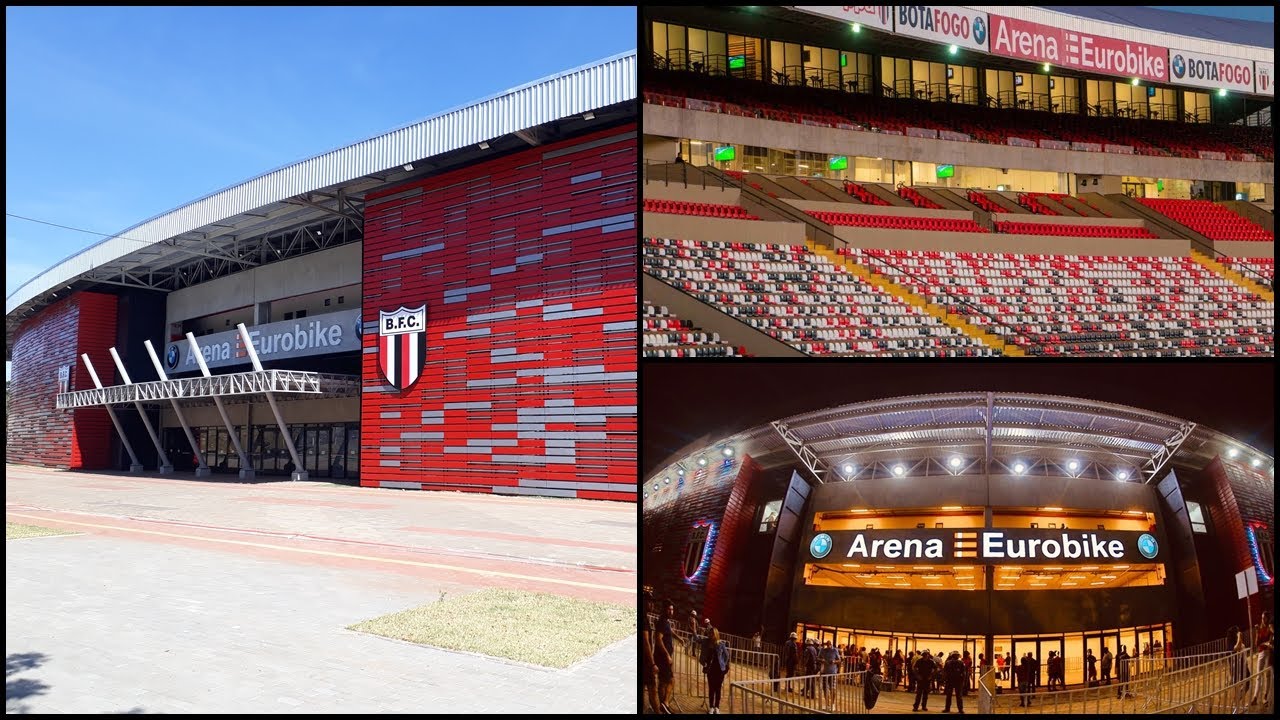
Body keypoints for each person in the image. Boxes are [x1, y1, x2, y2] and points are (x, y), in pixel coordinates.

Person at [703, 627, 730, 714]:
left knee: (718, 689)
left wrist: (724, 664)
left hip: (719, 670)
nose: (711, 635)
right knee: (711, 688)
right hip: (710, 669)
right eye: (710, 634)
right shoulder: (708, 643)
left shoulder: (721, 644)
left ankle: (717, 707)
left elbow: (727, 655)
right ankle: (711, 707)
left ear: (716, 634)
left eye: (712, 633)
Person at [656, 601, 676, 714]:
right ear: (664, 609)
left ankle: (663, 705)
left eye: (672, 609)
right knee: (668, 681)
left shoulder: (666, 621)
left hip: (665, 657)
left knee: (666, 681)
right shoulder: (662, 622)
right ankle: (664, 704)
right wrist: (667, 655)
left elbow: (670, 631)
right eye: (669, 609)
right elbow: (658, 639)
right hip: (663, 657)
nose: (671, 611)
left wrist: (678, 637)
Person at [641, 590, 659, 714]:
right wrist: (652, 663)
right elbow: (646, 642)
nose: (652, 605)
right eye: (650, 602)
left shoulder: (645, 617)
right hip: (646, 662)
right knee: (652, 690)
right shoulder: (643, 619)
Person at [913, 647, 937, 712]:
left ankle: (924, 706)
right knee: (919, 694)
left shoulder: (931, 662)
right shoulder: (919, 661)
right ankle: (916, 706)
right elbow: (914, 668)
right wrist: (917, 676)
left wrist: (931, 676)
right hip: (920, 679)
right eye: (924, 655)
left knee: (925, 694)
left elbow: (935, 669)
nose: (925, 656)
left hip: (927, 679)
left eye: (926, 654)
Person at [820, 639, 841, 711]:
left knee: (833, 688)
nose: (828, 646)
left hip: (833, 672)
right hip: (825, 672)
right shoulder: (823, 650)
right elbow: (818, 658)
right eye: (827, 645)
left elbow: (839, 660)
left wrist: (834, 661)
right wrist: (821, 660)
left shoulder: (835, 650)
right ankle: (827, 704)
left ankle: (832, 704)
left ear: (831, 644)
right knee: (825, 688)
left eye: (829, 645)